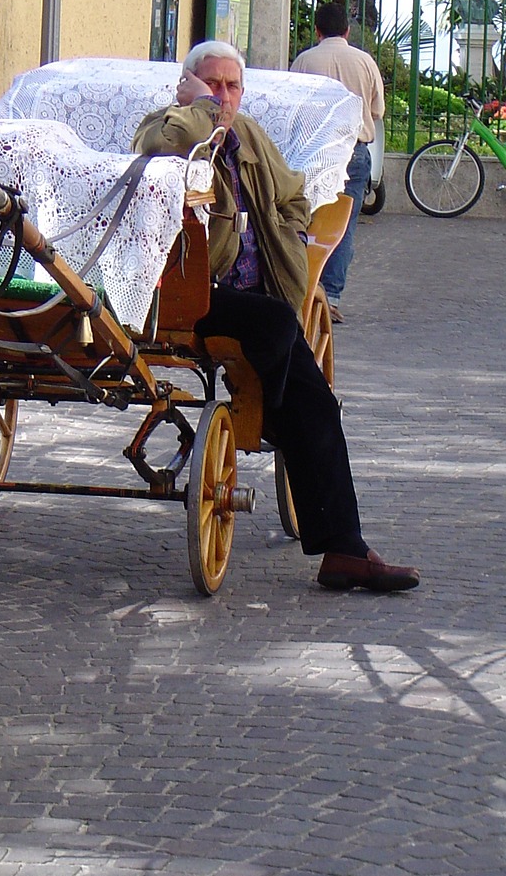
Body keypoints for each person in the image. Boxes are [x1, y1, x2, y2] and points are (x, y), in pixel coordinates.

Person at [132, 40, 419, 592]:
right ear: (188, 85)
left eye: (231, 86)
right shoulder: (167, 126)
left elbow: (293, 198)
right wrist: (198, 110)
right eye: (210, 83)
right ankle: (276, 413)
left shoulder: (253, 138)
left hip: (250, 301)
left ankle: (344, 550)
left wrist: (283, 238)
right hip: (184, 297)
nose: (223, 95)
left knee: (316, 401)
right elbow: (162, 147)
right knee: (280, 331)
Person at [289, 2, 386, 324]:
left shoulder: (304, 60)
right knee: (343, 227)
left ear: (317, 31)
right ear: (346, 30)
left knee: (306, 220)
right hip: (353, 151)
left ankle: (301, 288)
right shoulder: (365, 62)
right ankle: (329, 296)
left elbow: (293, 107)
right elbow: (377, 111)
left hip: (312, 152)